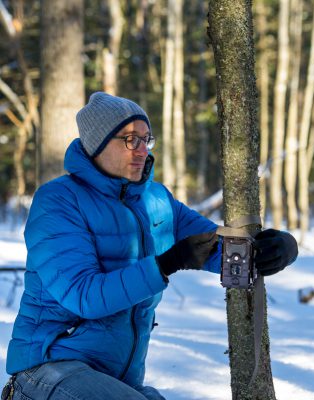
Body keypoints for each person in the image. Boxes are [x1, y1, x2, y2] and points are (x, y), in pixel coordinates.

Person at [3, 92, 298, 400]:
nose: (142, 150)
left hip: (117, 380)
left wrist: (281, 248)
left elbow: (218, 249)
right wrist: (167, 263)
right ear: (97, 144)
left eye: (146, 139)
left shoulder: (156, 200)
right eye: (130, 140)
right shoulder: (58, 201)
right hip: (45, 373)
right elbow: (84, 295)